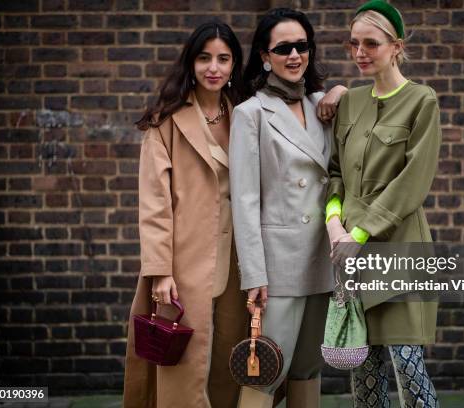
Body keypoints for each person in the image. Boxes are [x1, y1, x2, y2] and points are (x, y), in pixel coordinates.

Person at [123, 21, 248, 408]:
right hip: (183, 260)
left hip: (240, 259)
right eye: (204, 58)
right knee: (182, 360)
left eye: (223, 59)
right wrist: (160, 270)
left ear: (234, 65)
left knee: (233, 352)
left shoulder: (246, 114)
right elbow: (153, 203)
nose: (214, 67)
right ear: (190, 63)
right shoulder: (166, 122)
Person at [229, 8, 347, 408]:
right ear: (265, 56)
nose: (295, 55)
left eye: (302, 46)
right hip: (278, 266)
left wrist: (342, 91)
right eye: (284, 48)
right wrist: (254, 274)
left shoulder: (323, 105)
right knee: (265, 368)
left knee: (308, 368)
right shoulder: (250, 114)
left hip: (322, 256)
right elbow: (244, 201)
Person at [326, 1, 441, 407]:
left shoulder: (422, 101)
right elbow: (335, 171)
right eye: (353, 43)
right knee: (366, 373)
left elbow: (413, 181)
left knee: (408, 365)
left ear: (396, 46)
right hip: (350, 255)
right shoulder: (350, 103)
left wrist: (358, 233)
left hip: (398, 249)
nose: (360, 52)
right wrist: (334, 223)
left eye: (371, 43)